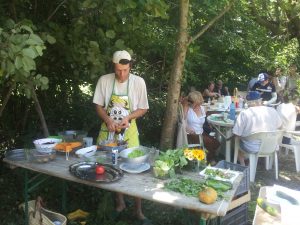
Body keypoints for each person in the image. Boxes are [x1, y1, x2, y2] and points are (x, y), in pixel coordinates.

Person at [93, 50, 150, 224]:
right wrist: (108, 119)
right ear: (114, 66)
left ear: (130, 66)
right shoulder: (104, 80)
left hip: (129, 132)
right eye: (118, 70)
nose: (122, 74)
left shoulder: (138, 82)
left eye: (125, 70)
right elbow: (98, 105)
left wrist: (128, 118)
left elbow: (143, 108)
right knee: (111, 167)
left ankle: (138, 209)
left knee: (136, 168)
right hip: (108, 132)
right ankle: (120, 203)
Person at [232, 91, 282, 165]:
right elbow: (280, 127)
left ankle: (243, 165)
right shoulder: (272, 110)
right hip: (271, 146)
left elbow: (237, 133)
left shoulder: (245, 113)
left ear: (248, 102)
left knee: (236, 141)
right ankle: (255, 162)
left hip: (252, 148)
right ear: (260, 100)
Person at [183, 91, 220, 164]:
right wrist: (186, 128)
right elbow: (182, 121)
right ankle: (210, 159)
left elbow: (212, 112)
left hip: (201, 133)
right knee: (209, 142)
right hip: (191, 134)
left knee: (217, 143)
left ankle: (207, 156)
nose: (192, 103)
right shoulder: (187, 108)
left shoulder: (203, 108)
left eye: (193, 101)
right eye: (191, 101)